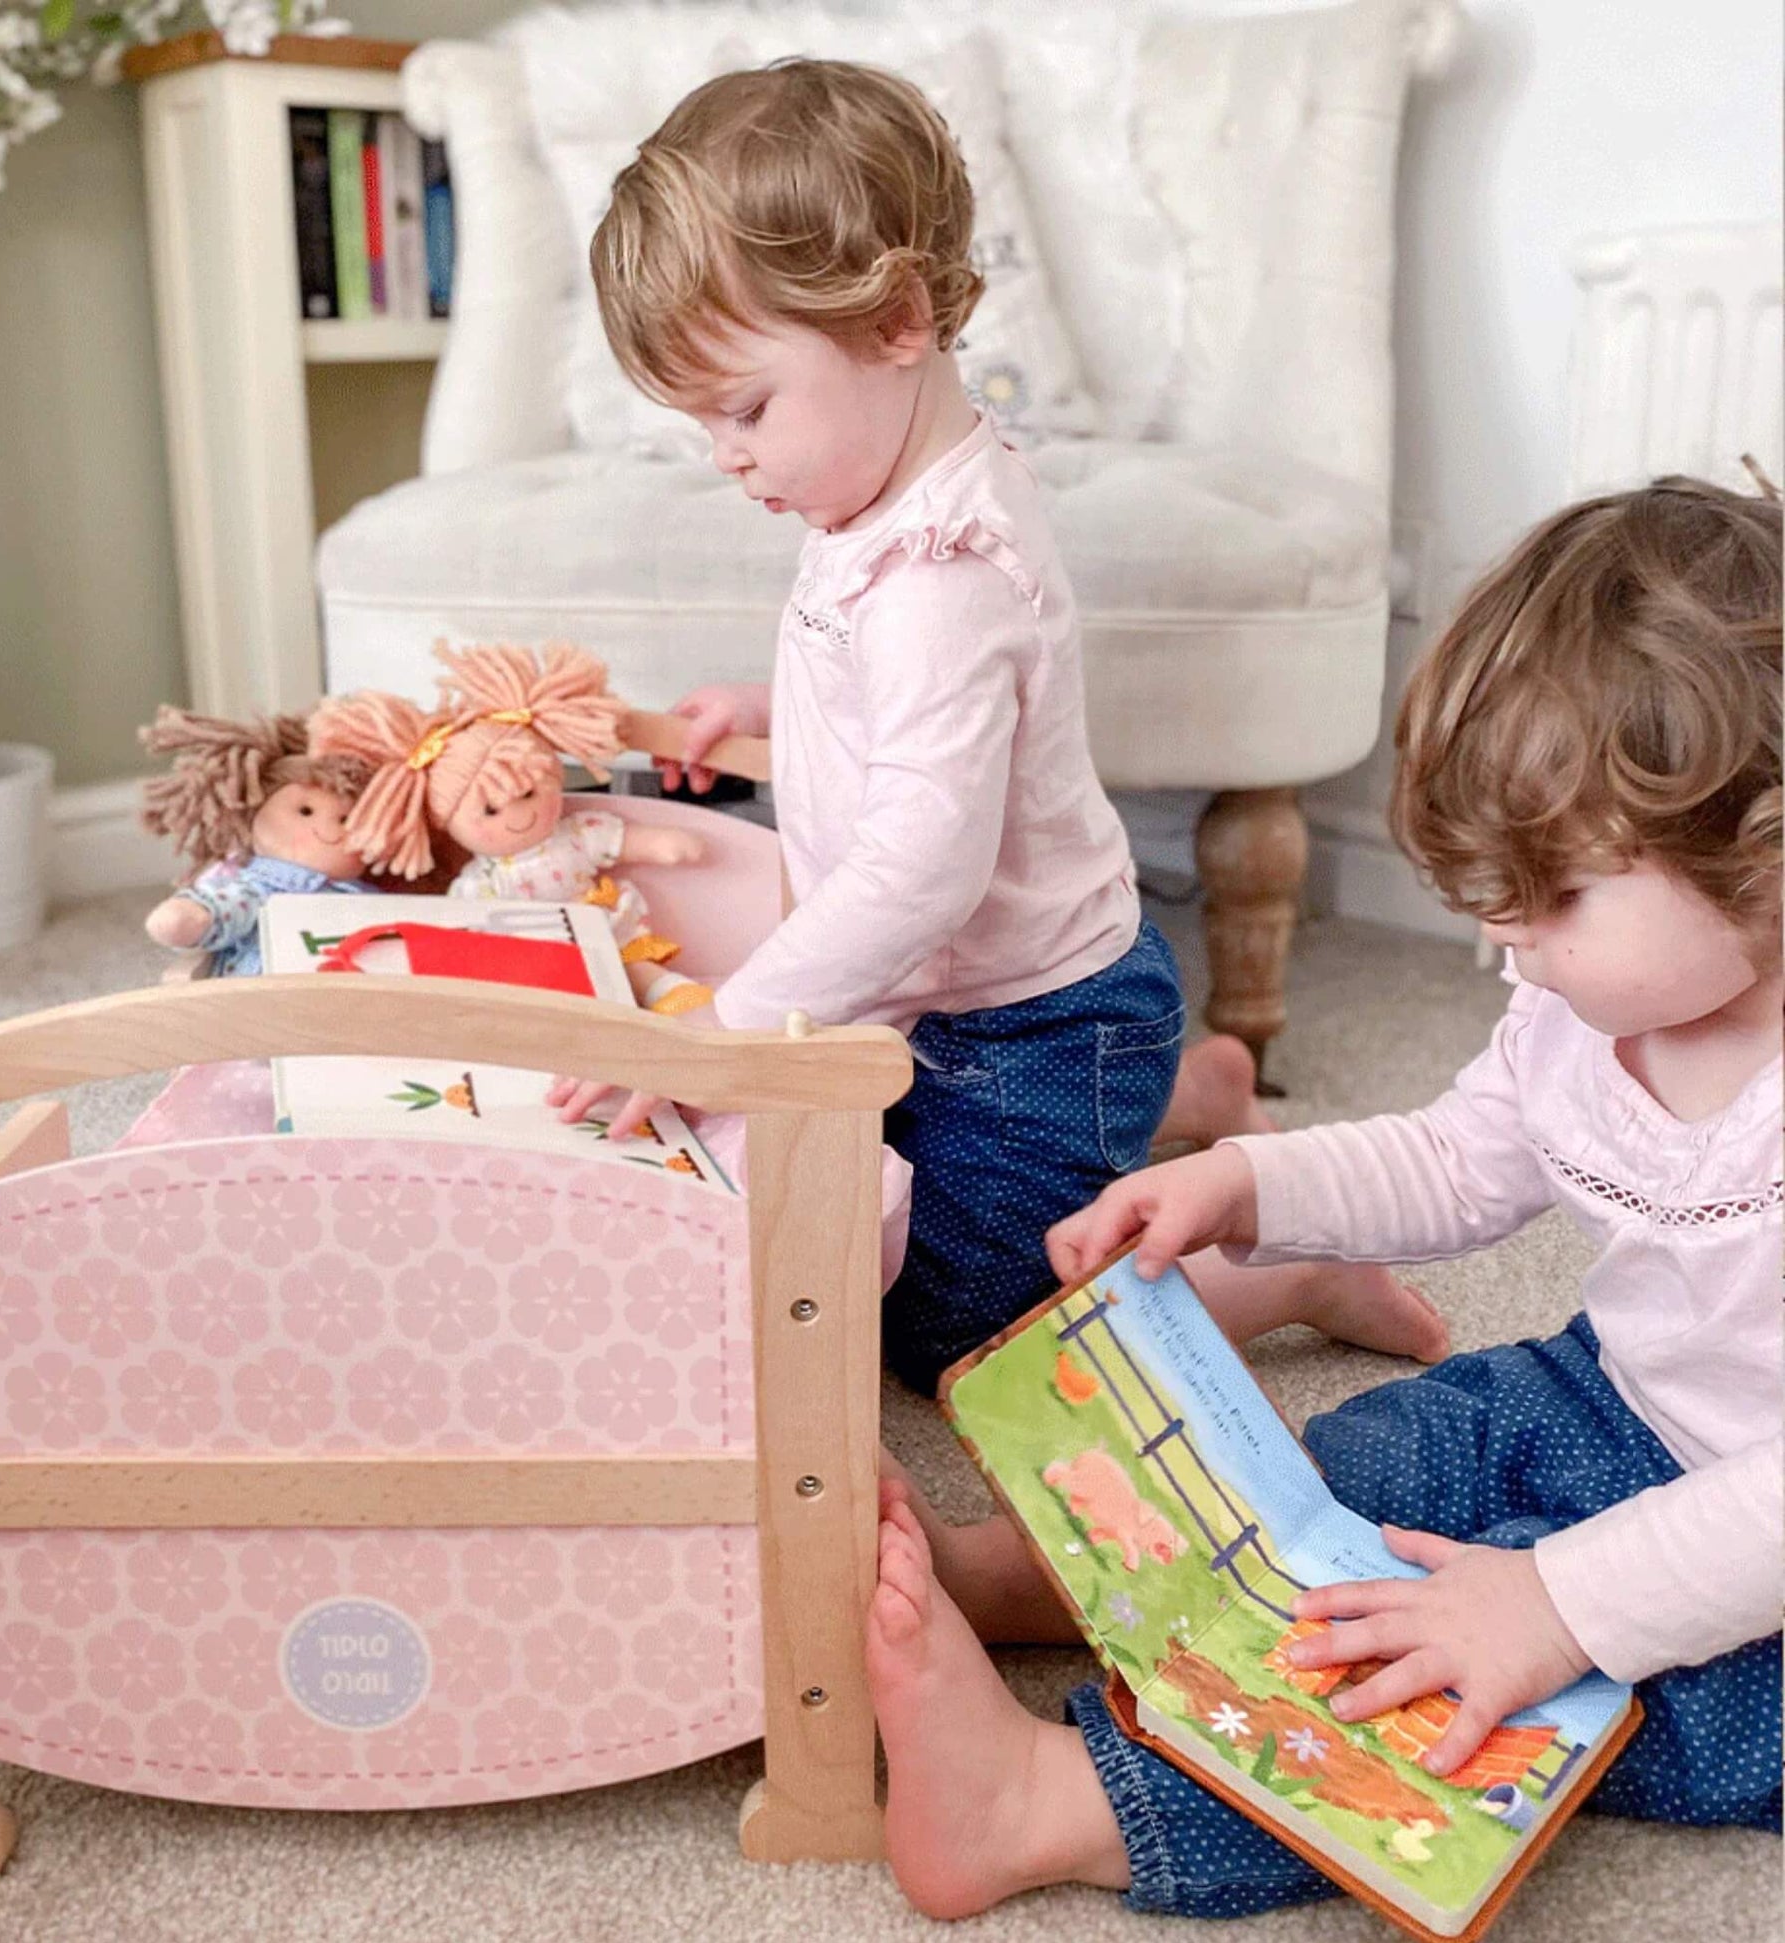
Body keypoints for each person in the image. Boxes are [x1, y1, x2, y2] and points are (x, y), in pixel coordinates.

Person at [868, 475, 1784, 1919]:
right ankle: (1068, 1584)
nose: (1502, 939)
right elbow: (1456, 1157)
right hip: (1609, 1404)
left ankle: (1049, 1809)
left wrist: (1553, 1606)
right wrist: (1240, 1183)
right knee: (1378, 1460)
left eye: (1551, 897)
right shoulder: (1573, 1010)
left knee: (1477, 1709)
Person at [547, 56, 1434, 1389]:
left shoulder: (943, 572)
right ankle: (1185, 1094)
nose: (724, 455)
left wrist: (730, 1031)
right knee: (883, 1193)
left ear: (896, 318)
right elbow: (906, 723)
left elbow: (924, 863)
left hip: (1033, 1027)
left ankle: (1286, 1265)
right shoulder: (878, 499)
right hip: (958, 1007)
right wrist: (776, 710)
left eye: (743, 409)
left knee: (965, 1338)